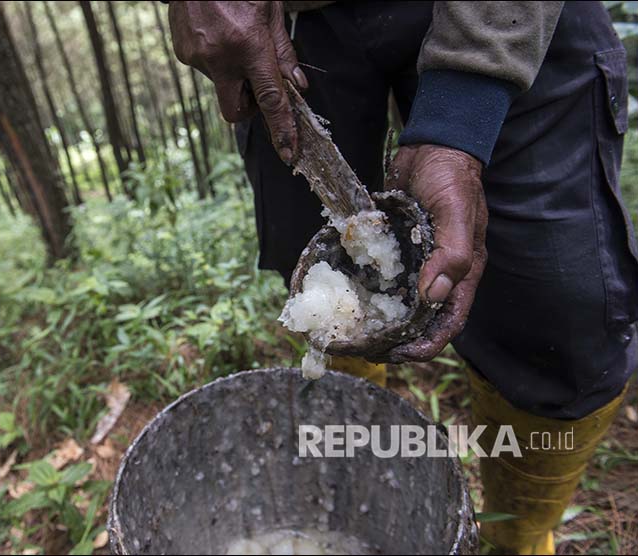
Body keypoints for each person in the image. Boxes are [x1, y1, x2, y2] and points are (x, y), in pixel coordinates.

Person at [168, 2, 638, 554]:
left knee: (558, 312)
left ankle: (520, 537)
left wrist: (462, 115)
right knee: (337, 291)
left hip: (510, 19)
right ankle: (356, 508)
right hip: (285, 26)